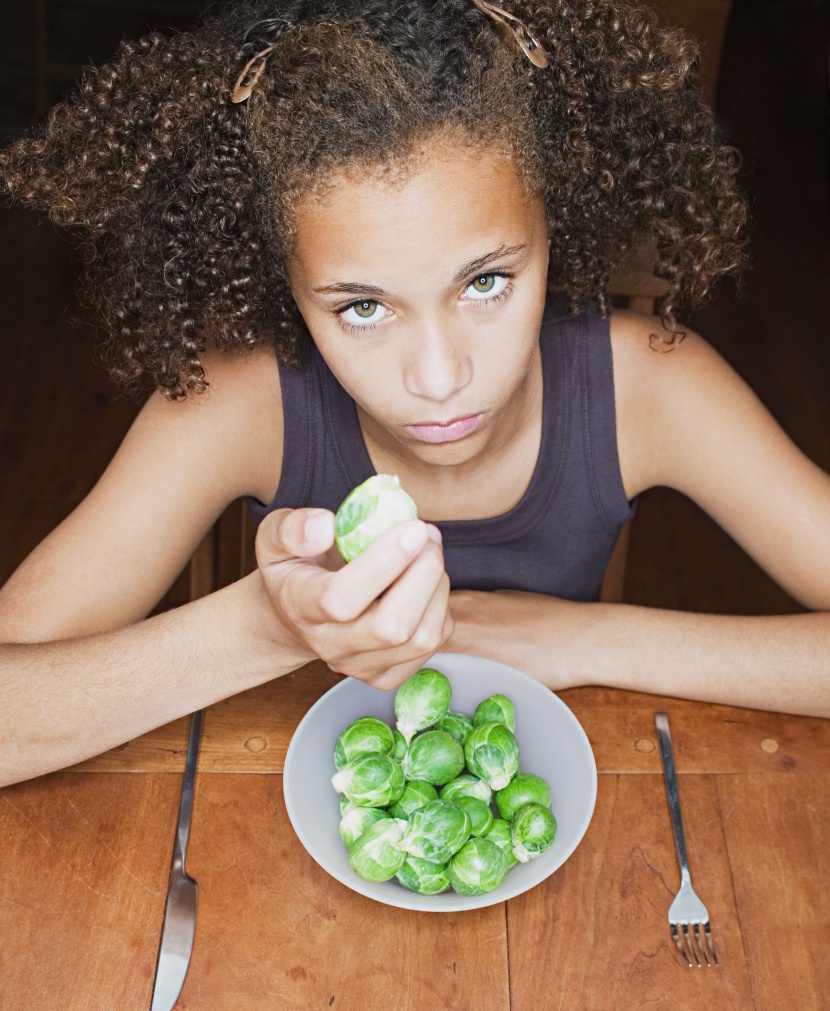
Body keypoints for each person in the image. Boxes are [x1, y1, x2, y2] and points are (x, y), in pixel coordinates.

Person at [1, 0, 828, 790]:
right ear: (283, 285)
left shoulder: (650, 386)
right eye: (362, 307)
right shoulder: (238, 405)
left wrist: (589, 638)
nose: (438, 379)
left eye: (487, 282)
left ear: (558, 224)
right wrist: (266, 624)